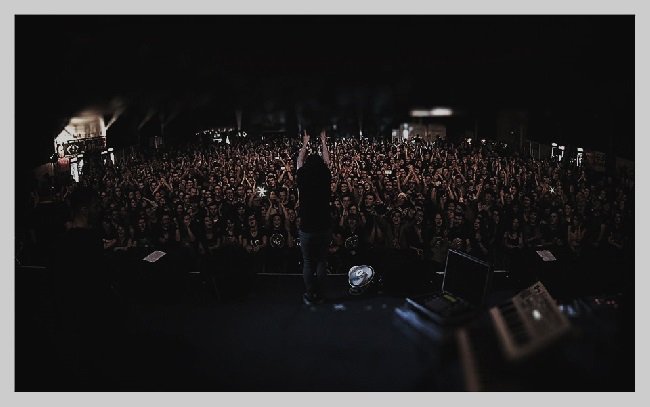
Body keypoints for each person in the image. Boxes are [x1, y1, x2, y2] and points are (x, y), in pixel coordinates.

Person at [296, 129, 331, 305]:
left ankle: (310, 294)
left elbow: (299, 162)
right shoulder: (325, 175)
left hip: (307, 226)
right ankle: (322, 295)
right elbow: (327, 162)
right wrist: (323, 142)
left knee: (308, 262)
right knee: (322, 261)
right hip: (324, 225)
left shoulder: (302, 176)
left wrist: (305, 144)